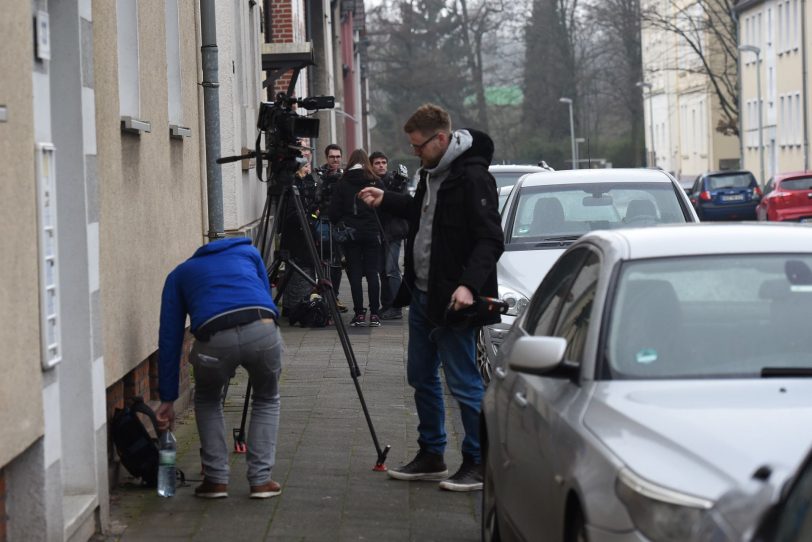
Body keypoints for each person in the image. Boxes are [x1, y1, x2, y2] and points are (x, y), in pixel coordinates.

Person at [359, 104, 503, 491]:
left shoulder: (473, 179)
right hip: (422, 293)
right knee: (420, 375)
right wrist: (385, 198)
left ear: (441, 139)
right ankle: (432, 454)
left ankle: (478, 461)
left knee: (463, 381)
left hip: (455, 300)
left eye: (419, 146)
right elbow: (422, 216)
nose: (415, 153)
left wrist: (469, 286)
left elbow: (491, 239)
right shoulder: (430, 174)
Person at [156, 237, 283, 499]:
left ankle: (215, 480)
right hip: (262, 329)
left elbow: (170, 338)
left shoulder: (179, 274)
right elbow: (264, 293)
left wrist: (168, 397)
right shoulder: (248, 253)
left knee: (207, 399)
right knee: (267, 398)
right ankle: (260, 481)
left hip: (214, 341)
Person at [329, 149, 386, 327]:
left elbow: (334, 211)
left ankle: (360, 314)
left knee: (354, 274)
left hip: (351, 233)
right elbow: (385, 205)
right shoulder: (375, 181)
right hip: (371, 232)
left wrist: (341, 221)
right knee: (372, 273)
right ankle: (375, 314)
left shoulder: (343, 182)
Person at [369, 151, 410, 320]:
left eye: (383, 162)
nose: (381, 165)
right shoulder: (372, 182)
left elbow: (401, 201)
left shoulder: (395, 181)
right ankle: (387, 304)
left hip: (394, 231)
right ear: (371, 165)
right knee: (382, 270)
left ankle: (397, 307)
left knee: (391, 269)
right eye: (377, 163)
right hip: (378, 231)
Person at [279, 159, 320, 319]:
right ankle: (295, 307)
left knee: (301, 269)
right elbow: (291, 214)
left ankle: (294, 306)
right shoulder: (292, 186)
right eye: (305, 166)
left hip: (303, 235)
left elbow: (311, 209)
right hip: (296, 238)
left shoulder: (306, 184)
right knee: (297, 269)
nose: (308, 169)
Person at [314, 144, 348, 312]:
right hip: (323, 222)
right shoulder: (319, 176)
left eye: (338, 157)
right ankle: (323, 297)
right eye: (332, 157)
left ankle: (334, 296)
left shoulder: (345, 176)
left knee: (337, 263)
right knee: (323, 260)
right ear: (326, 158)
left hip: (340, 224)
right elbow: (315, 198)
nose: (335, 160)